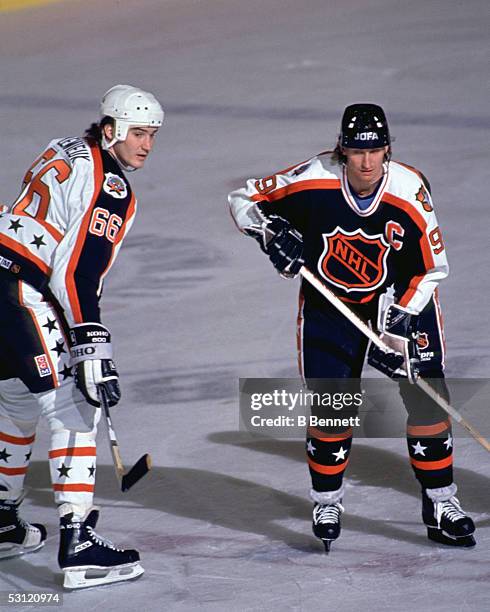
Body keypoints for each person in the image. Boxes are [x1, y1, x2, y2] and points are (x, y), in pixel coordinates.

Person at [228, 103, 475, 552]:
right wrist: (268, 233)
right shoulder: (313, 177)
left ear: (388, 150)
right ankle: (327, 500)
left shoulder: (409, 188)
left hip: (404, 298)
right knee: (332, 408)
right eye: (356, 151)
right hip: (330, 304)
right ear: (341, 149)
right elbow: (242, 199)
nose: (366, 163)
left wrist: (395, 331)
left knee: (427, 397)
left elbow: (432, 269)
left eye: (376, 151)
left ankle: (441, 502)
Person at [0, 84, 163, 588]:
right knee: (75, 403)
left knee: (14, 399)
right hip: (20, 291)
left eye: (153, 135)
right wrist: (92, 346)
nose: (146, 145)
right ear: (111, 129)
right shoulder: (113, 188)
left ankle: (4, 520)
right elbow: (74, 274)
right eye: (137, 133)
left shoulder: (66, 146)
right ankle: (78, 541)